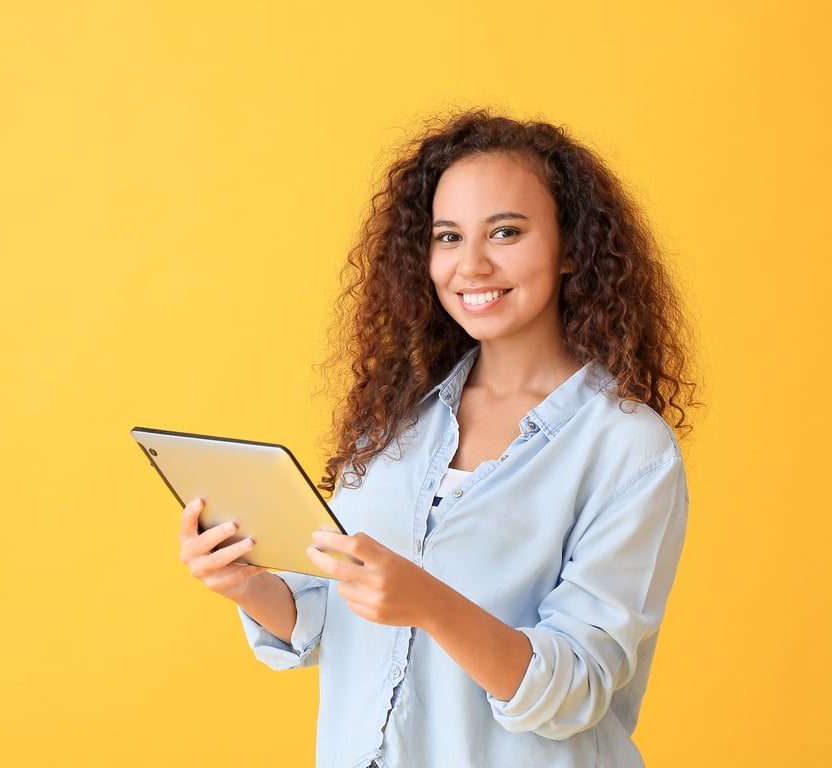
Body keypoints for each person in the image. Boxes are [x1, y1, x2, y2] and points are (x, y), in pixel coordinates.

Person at [176, 109, 698, 767]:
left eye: (506, 232)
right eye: (447, 237)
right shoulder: (397, 417)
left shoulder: (627, 448)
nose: (471, 265)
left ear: (571, 248)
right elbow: (336, 619)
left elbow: (578, 689)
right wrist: (245, 583)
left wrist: (432, 605)